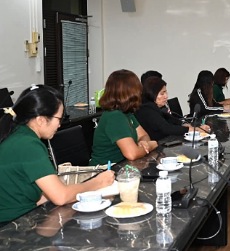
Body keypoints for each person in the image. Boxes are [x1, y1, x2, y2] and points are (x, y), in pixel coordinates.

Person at [0, 85, 114, 224]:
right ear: (41, 120)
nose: (59, 125)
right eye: (59, 119)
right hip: (13, 227)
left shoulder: (16, 134)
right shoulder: (28, 145)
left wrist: (65, 189)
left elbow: (37, 194)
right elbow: (60, 197)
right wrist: (98, 182)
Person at [90, 70, 158, 166]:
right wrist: (151, 145)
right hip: (105, 170)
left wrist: (143, 143)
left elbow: (144, 136)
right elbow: (132, 154)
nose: (140, 93)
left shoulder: (126, 113)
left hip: (121, 166)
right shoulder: (114, 116)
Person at [135, 77, 209, 141]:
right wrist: (192, 130)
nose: (166, 96)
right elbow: (167, 128)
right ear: (152, 94)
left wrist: (194, 127)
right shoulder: (146, 109)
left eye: (166, 92)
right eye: (162, 93)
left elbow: (172, 120)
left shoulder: (157, 107)